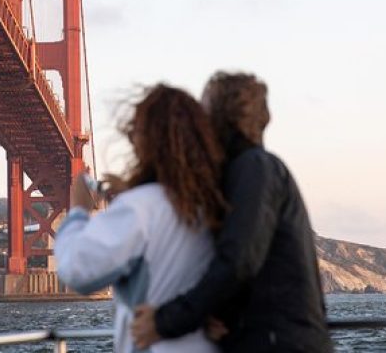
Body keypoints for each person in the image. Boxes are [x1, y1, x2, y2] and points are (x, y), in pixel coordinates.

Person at [130, 72, 333, 352]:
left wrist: (165, 322)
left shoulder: (255, 169)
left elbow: (239, 260)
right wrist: (223, 315)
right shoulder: (247, 171)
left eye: (205, 108)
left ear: (222, 114)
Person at [54, 84, 227, 353]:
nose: (131, 139)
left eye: (135, 131)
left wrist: (78, 211)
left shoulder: (140, 208)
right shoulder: (217, 204)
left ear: (148, 142)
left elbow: (78, 271)